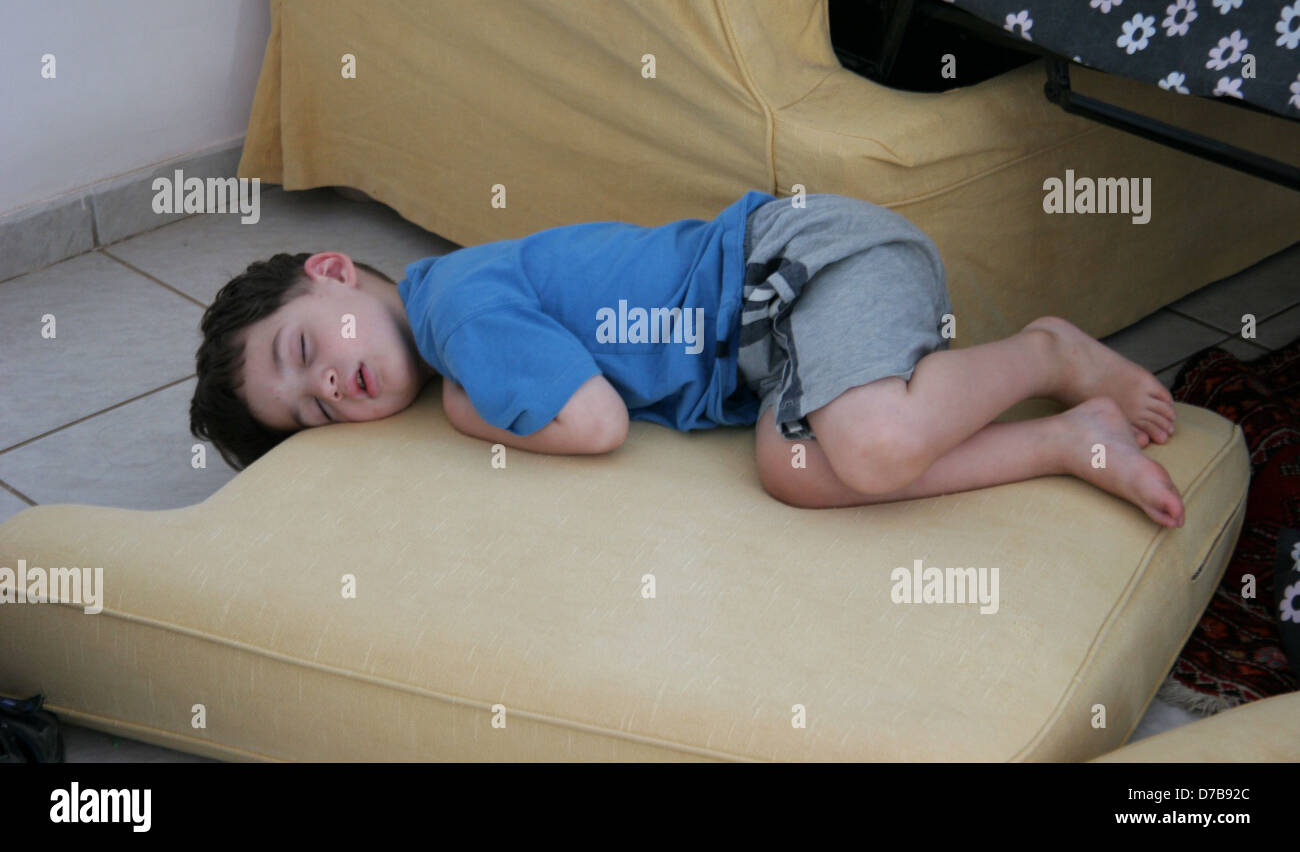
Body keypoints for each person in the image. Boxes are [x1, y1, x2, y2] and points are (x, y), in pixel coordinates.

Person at [190, 191, 1184, 527]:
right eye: (312, 407)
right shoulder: (459, 323)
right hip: (777, 339)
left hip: (802, 261)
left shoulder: (450, 305)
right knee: (791, 469)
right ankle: (1064, 440)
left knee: (872, 445)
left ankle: (1045, 351)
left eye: (306, 347)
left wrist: (469, 416)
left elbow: (594, 425)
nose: (328, 382)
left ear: (333, 270)